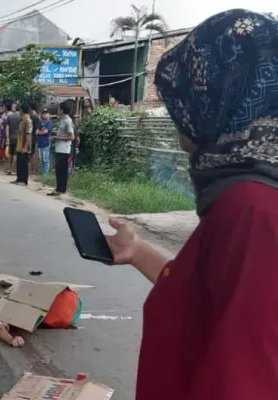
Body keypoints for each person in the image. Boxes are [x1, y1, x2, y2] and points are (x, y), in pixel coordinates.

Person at [105, 10, 278, 400]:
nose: (178, 113)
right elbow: (211, 299)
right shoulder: (247, 188)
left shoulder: (250, 205)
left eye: (185, 95)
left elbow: (245, 378)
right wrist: (136, 252)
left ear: (220, 97)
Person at [49, 101, 74, 196]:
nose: (57, 110)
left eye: (59, 108)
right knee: (58, 170)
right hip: (59, 148)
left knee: (62, 170)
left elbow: (72, 137)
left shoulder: (68, 121)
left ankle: (61, 189)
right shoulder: (62, 120)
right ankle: (59, 188)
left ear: (62, 110)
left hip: (64, 150)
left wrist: (56, 138)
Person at [12, 105, 32, 186]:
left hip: (24, 145)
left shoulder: (28, 120)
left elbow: (28, 134)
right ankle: (19, 178)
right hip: (20, 144)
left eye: (20, 110)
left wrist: (25, 146)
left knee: (24, 163)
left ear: (22, 110)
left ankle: (24, 180)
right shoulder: (22, 120)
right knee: (19, 162)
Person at [35, 109, 54, 176]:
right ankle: (43, 172)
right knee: (42, 159)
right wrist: (40, 132)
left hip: (46, 143)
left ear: (48, 116)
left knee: (45, 159)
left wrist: (39, 132)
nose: (44, 118)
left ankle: (45, 173)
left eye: (45, 117)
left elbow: (45, 132)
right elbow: (36, 131)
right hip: (40, 143)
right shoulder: (40, 123)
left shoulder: (49, 123)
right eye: (43, 117)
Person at [5, 102, 21, 175]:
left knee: (10, 153)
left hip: (11, 137)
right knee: (15, 154)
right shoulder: (20, 117)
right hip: (18, 137)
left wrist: (7, 137)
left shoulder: (10, 116)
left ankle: (9, 168)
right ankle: (13, 170)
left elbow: (7, 128)